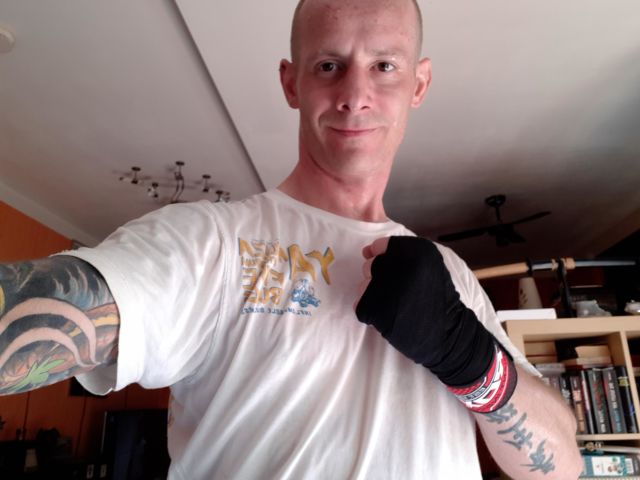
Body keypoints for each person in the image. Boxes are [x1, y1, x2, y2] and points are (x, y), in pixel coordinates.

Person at [0, 0, 582, 478]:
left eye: (384, 65)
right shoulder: (212, 243)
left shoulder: (452, 275)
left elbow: (560, 467)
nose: (355, 93)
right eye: (329, 65)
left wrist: (469, 356)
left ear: (419, 82)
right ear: (291, 82)